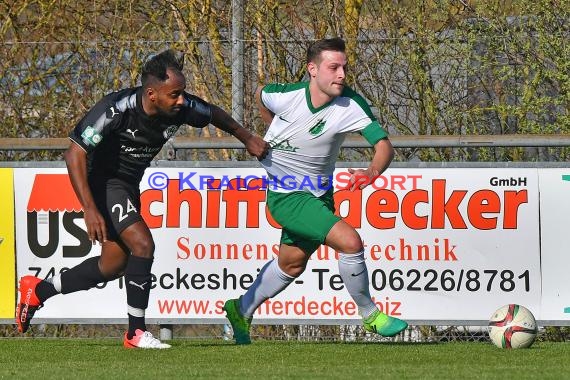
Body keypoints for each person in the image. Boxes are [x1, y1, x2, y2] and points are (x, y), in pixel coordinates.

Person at [16, 49, 269, 349]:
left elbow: (213, 113)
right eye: (174, 94)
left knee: (113, 265)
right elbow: (74, 153)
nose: (181, 100)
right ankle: (135, 333)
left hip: (127, 185)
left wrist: (247, 137)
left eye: (182, 94)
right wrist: (89, 209)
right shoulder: (115, 110)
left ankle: (39, 291)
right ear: (151, 94)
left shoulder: (181, 106)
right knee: (143, 244)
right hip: (104, 182)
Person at [222, 37, 408, 344]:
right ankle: (371, 316)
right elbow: (260, 94)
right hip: (286, 195)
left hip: (320, 195)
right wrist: (271, 127)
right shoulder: (287, 96)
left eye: (344, 67)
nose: (342, 75)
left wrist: (373, 170)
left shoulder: (350, 104)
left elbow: (384, 146)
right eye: (333, 67)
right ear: (312, 69)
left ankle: (240, 309)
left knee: (291, 263)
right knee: (350, 241)